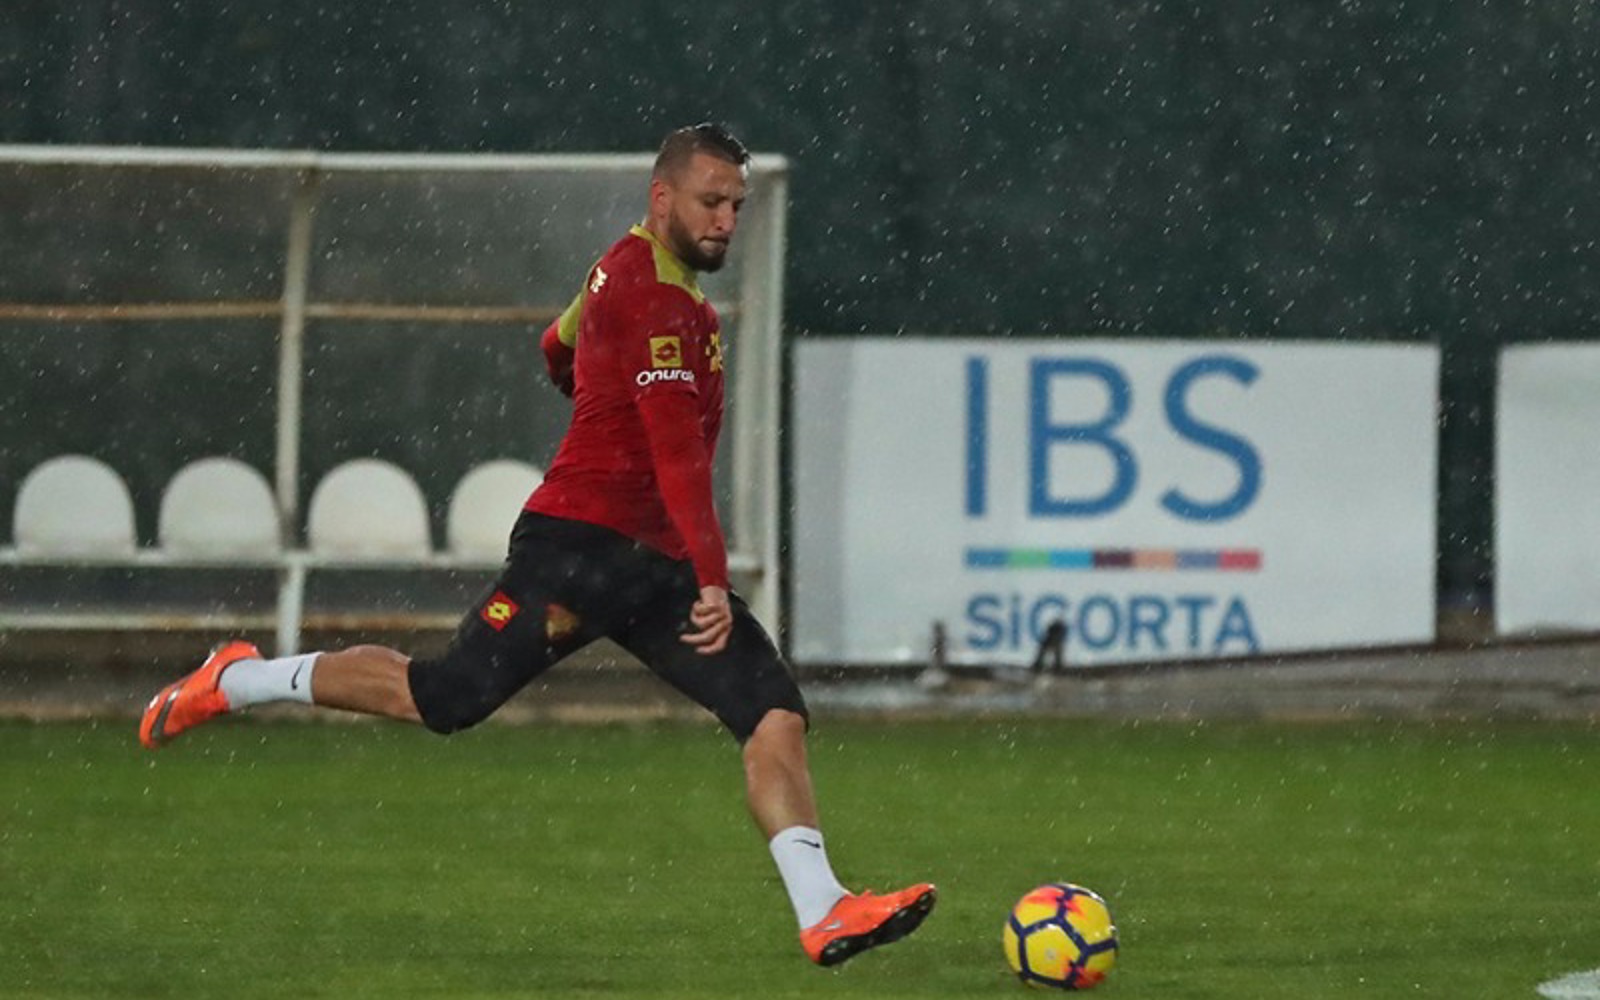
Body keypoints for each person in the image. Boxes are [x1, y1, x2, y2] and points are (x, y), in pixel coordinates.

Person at [138, 122, 935, 967]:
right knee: (444, 698)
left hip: (654, 565)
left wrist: (591, 387)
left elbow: (556, 346)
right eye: (711, 202)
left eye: (736, 205)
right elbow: (676, 458)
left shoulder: (623, 269)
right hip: (579, 551)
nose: (726, 221)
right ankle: (239, 679)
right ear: (662, 196)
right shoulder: (656, 302)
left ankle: (823, 908)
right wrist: (711, 577)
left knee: (771, 710)